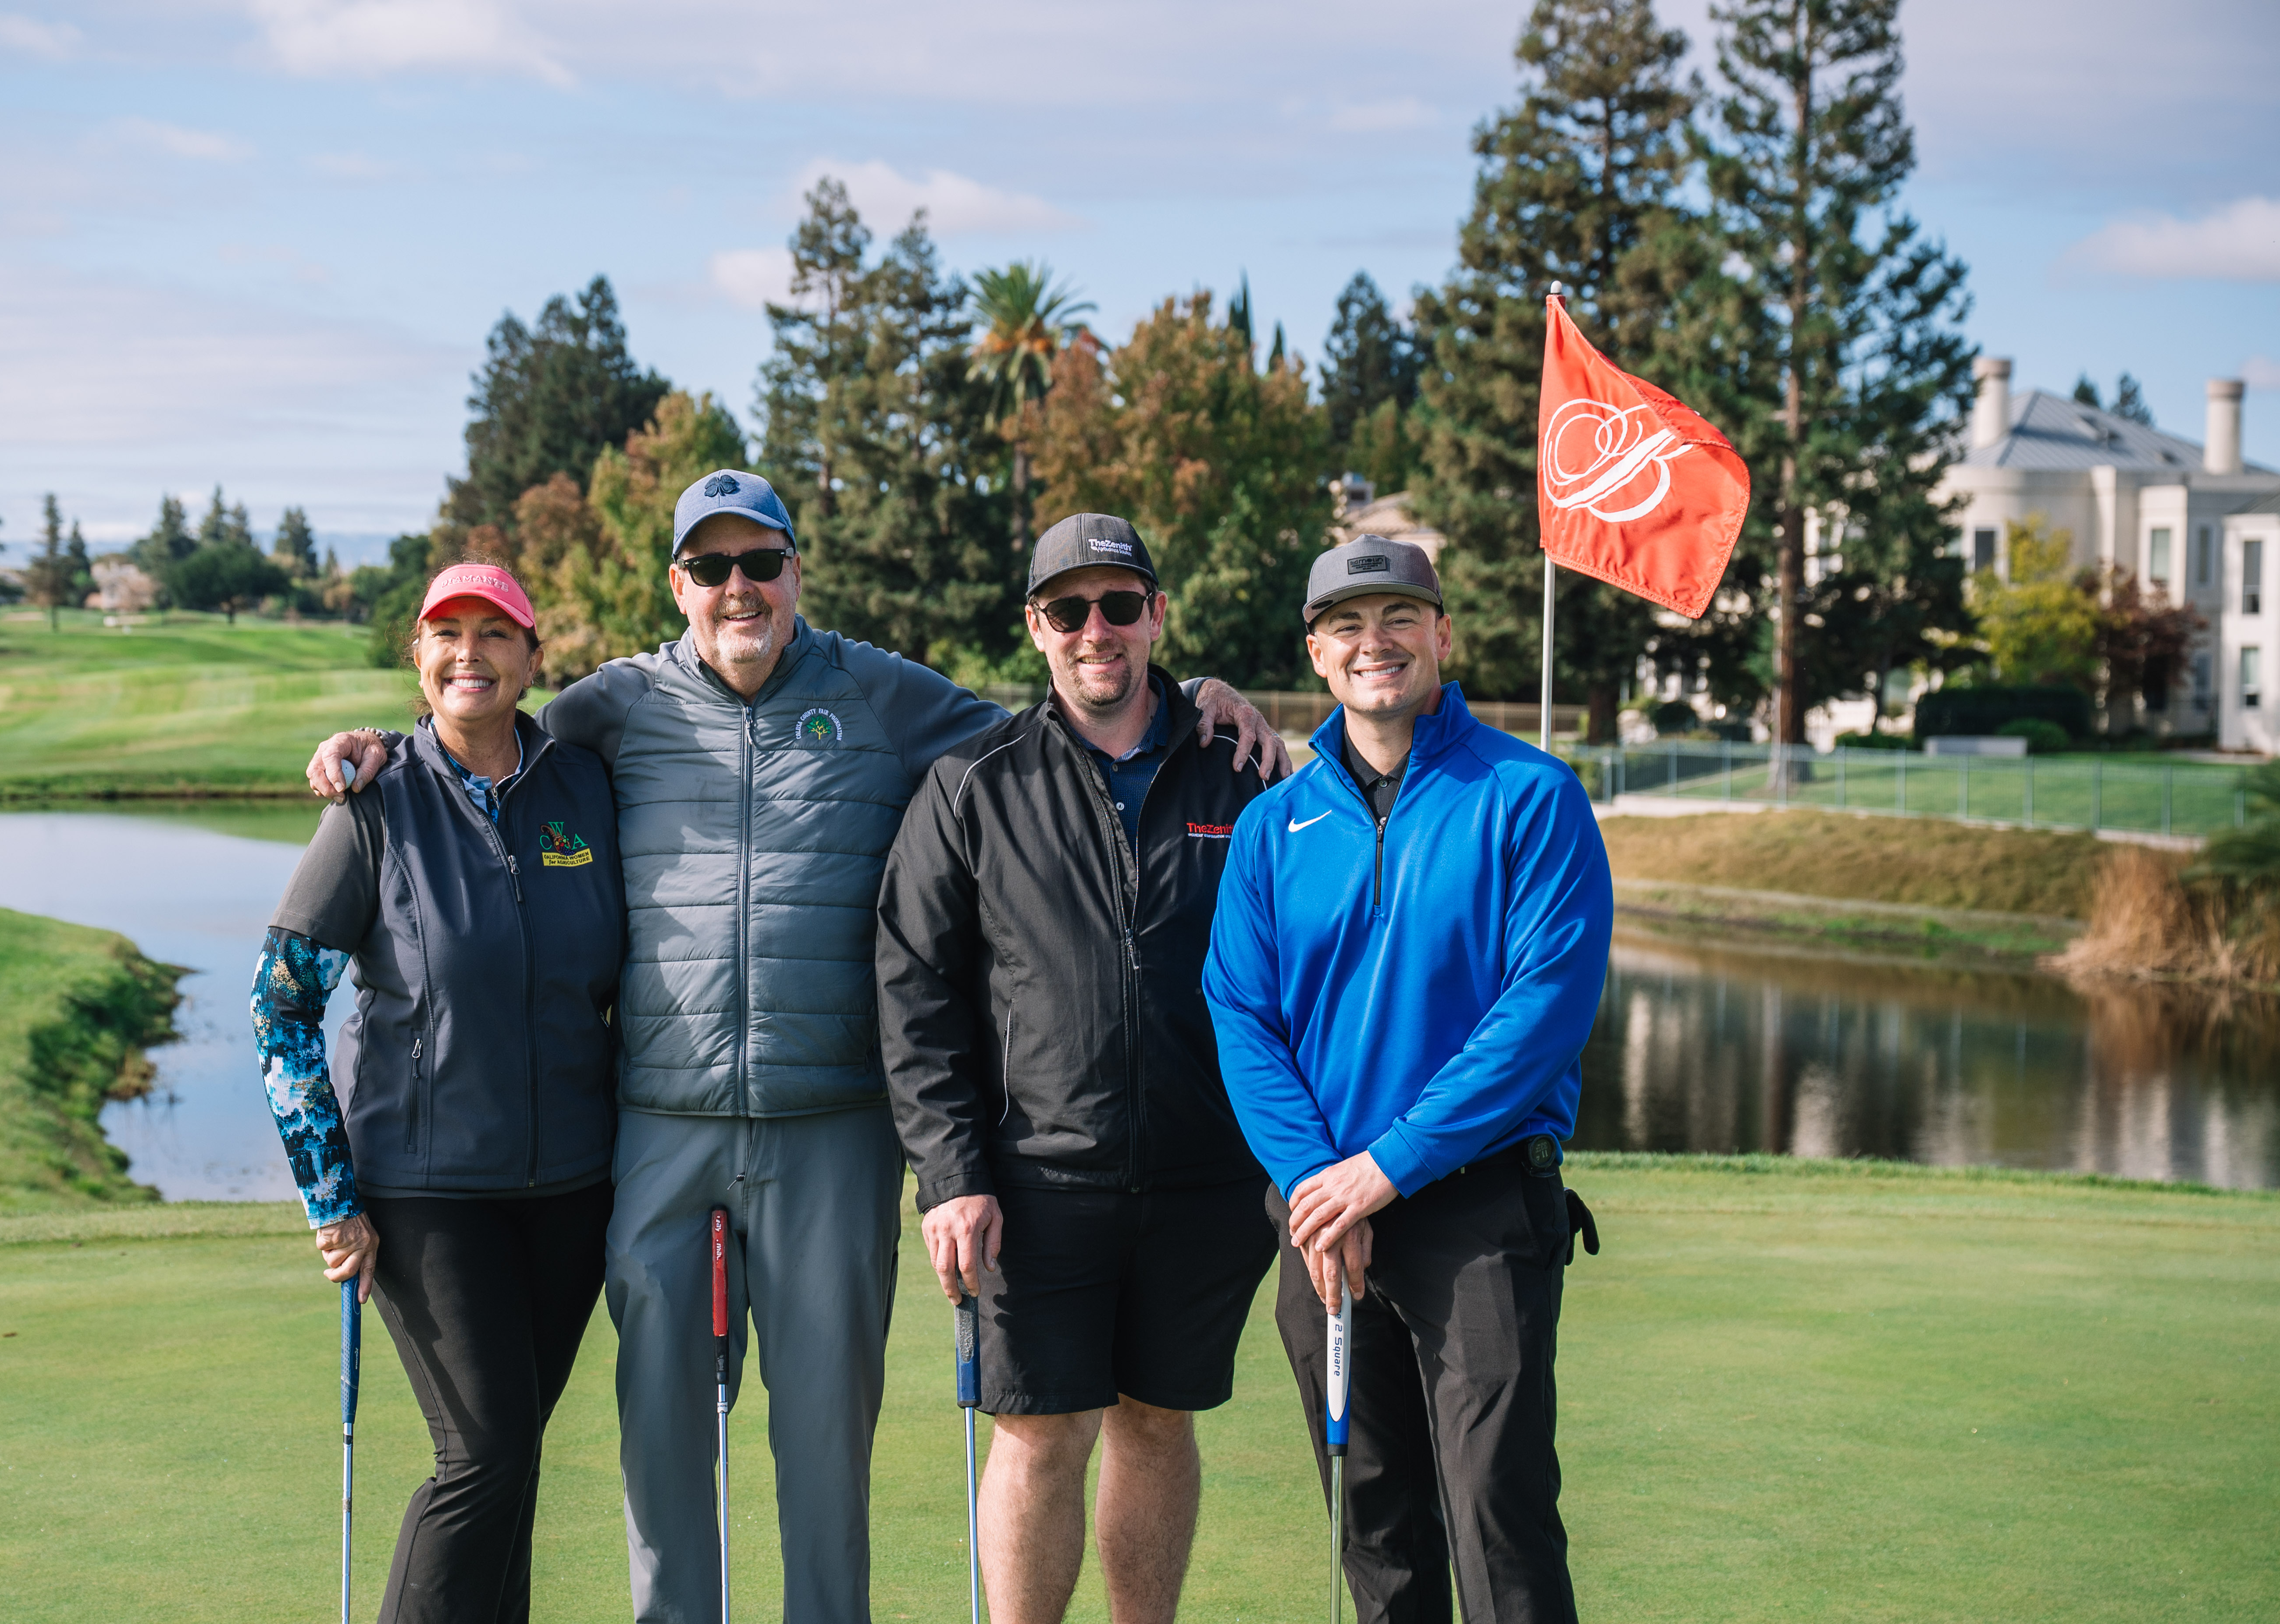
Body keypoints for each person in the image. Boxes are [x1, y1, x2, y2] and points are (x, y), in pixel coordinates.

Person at [305, 473, 1289, 1624]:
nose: (739, 588)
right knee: (661, 1439)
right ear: (678, 584)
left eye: (761, 563)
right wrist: (380, 748)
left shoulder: (882, 692)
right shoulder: (612, 705)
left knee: (825, 1440)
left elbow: (1055, 728)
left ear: (794, 573)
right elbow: (486, 736)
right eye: (711, 567)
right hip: (660, 1122)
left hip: (835, 1122)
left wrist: (1197, 695)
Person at [1200, 538, 1612, 1624]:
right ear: (1316, 652)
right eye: (1346, 623)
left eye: (1396, 617)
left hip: (1477, 1208)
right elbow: (1241, 1015)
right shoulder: (1272, 825)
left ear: (1441, 633)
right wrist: (1317, 1181)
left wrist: (1384, 1168)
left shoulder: (1530, 795)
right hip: (1323, 1217)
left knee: (1498, 1520)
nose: (1372, 642)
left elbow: (1542, 1011)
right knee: (1374, 1529)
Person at [875, 515, 1278, 1624]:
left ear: (1157, 615)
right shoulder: (972, 782)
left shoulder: (1244, 770)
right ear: (1036, 627)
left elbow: (1301, 963)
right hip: (1036, 1181)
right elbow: (914, 992)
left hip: (1205, 1175)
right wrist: (951, 1173)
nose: (1095, 629)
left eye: (1119, 604)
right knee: (1039, 1431)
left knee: (1157, 1420)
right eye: (1068, 609)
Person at [251, 561, 626, 1624]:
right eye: (446, 632)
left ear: (533, 656)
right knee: (485, 1454)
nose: (471, 652)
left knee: (510, 1462)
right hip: (426, 1194)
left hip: (573, 1191)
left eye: (494, 632)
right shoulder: (374, 803)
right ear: (418, 656)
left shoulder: (587, 785)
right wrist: (330, 1195)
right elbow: (281, 1005)